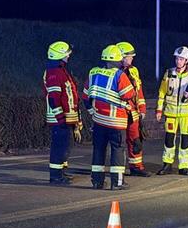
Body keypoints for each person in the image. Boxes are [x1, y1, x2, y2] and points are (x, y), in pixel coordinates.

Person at [82, 45, 135, 190]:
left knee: (98, 149)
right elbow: (128, 94)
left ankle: (97, 181)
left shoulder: (93, 72)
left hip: (99, 120)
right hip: (116, 122)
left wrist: (92, 111)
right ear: (118, 60)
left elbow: (85, 96)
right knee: (117, 150)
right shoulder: (119, 75)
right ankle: (117, 183)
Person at [155, 46, 188, 176]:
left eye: (181, 59)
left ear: (187, 60)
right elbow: (162, 92)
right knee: (169, 139)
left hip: (187, 113)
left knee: (185, 140)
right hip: (170, 112)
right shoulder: (169, 72)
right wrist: (159, 110)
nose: (178, 61)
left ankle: (183, 166)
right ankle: (167, 164)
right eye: (177, 58)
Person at [43, 41, 82, 185]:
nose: (69, 55)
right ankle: (56, 176)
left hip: (66, 117)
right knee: (59, 147)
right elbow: (54, 98)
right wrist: (60, 118)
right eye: (67, 53)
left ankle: (62, 172)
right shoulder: (54, 72)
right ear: (60, 55)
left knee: (65, 145)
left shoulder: (61, 70)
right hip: (59, 118)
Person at [117, 41, 150, 177]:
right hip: (118, 111)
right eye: (130, 56)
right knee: (116, 142)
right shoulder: (114, 72)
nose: (132, 59)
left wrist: (142, 109)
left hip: (133, 112)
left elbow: (139, 91)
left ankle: (136, 167)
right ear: (122, 57)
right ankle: (116, 169)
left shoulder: (133, 70)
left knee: (135, 140)